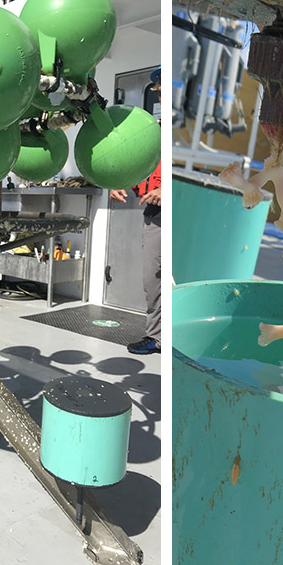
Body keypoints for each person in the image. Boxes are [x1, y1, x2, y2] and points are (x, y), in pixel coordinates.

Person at [110, 67, 161, 355]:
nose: (159, 93)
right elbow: (140, 163)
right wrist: (118, 182)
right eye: (157, 90)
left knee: (168, 278)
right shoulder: (153, 129)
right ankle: (157, 337)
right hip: (154, 215)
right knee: (152, 278)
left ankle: (166, 338)